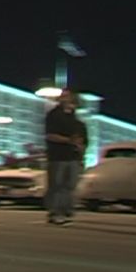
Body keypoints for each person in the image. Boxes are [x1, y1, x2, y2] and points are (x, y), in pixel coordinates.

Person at [44, 89, 87, 225]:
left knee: (69, 186)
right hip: (58, 157)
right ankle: (55, 213)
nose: (65, 99)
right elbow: (50, 135)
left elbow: (84, 141)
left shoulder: (77, 121)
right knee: (57, 185)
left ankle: (67, 211)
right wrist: (69, 141)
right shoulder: (53, 115)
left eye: (68, 97)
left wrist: (81, 149)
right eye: (63, 96)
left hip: (73, 158)